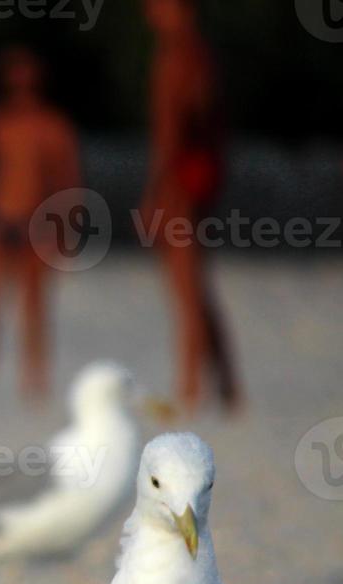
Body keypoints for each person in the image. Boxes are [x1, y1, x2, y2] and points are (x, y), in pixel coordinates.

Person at [0, 47, 80, 404]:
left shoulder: (53, 127)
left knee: (34, 308)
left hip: (36, 224)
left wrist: (65, 230)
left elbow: (68, 183)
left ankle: (34, 380)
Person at [143, 0, 241, 414]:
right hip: (198, 177)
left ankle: (191, 387)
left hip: (182, 181)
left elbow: (174, 130)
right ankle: (226, 387)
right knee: (196, 287)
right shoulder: (201, 55)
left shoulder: (179, 56)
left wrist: (157, 191)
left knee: (185, 286)